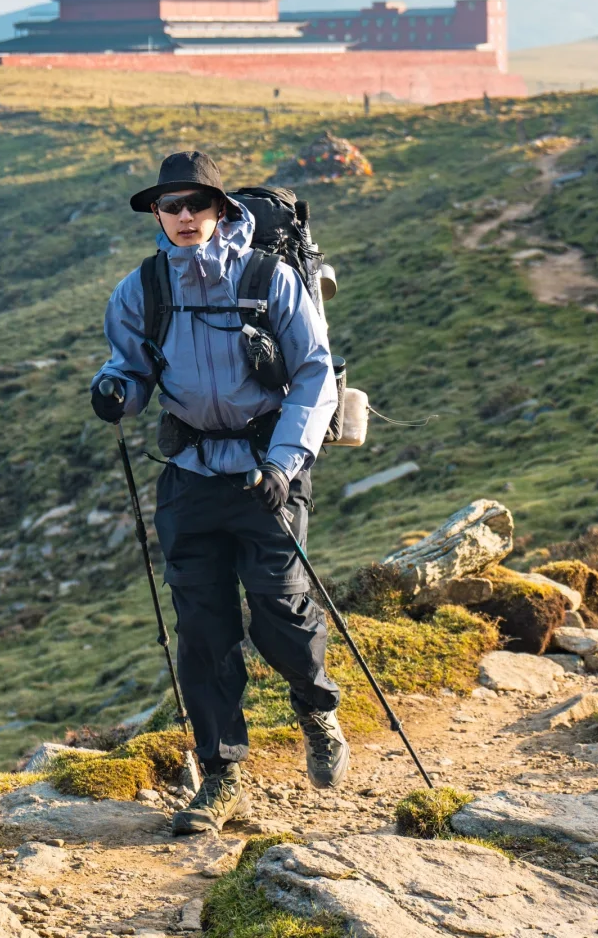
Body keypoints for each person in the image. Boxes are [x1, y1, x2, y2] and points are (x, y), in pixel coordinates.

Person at [90, 151, 347, 835]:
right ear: (157, 214)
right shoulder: (142, 288)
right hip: (193, 474)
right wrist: (118, 389)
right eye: (168, 206)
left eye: (194, 204)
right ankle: (221, 775)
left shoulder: (271, 279)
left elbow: (315, 376)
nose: (181, 217)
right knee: (203, 629)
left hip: (268, 470)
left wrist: (286, 464)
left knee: (281, 613)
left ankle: (315, 707)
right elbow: (131, 366)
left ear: (220, 209)